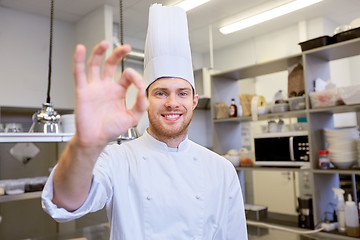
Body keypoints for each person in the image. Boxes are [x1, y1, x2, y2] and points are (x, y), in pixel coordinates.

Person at [42, 4, 248, 240]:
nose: (172, 103)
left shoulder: (221, 169)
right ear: (145, 99)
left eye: (182, 93)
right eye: (161, 93)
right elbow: (64, 203)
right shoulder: (118, 159)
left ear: (194, 101)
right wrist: (85, 143)